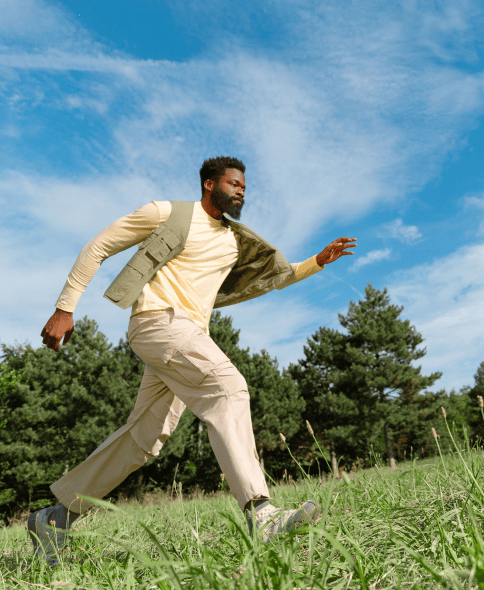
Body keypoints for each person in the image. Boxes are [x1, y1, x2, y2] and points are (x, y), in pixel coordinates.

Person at [28, 156, 357, 565]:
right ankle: (261, 513)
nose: (241, 191)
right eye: (234, 183)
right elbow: (99, 246)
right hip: (157, 322)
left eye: (243, 186)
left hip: (186, 337)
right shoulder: (167, 213)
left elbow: (274, 275)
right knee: (228, 387)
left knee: (143, 440)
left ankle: (56, 517)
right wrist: (65, 307)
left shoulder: (234, 240)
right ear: (209, 184)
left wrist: (316, 263)